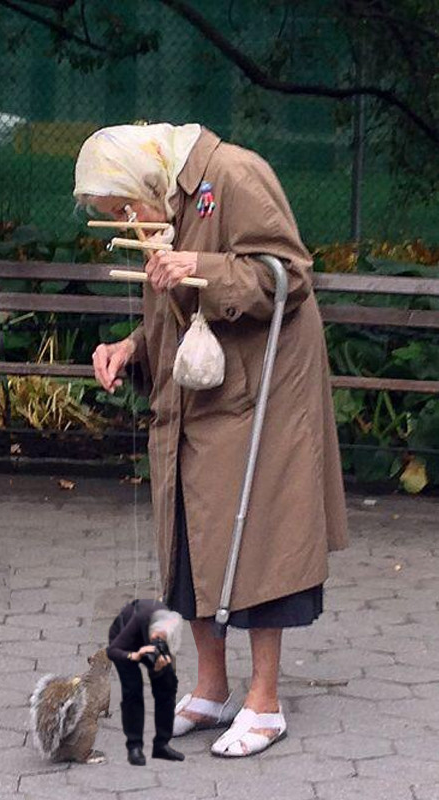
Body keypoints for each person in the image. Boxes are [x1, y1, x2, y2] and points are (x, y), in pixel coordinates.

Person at [75, 123, 348, 758]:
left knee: (261, 540)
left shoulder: (234, 175)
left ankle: (265, 703)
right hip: (197, 395)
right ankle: (212, 689)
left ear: (148, 178)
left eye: (125, 207)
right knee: (190, 537)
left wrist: (203, 265)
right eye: (115, 215)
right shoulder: (165, 201)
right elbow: (175, 312)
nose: (127, 221)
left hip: (264, 393)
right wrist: (131, 348)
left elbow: (289, 275)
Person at [107, 599, 184, 765]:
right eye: (155, 637)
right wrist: (133, 655)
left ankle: (162, 745)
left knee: (167, 687)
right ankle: (134, 747)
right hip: (124, 645)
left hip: (147, 643)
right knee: (133, 691)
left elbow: (168, 663)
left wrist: (160, 668)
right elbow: (112, 651)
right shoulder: (139, 619)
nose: (158, 641)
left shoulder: (172, 627)